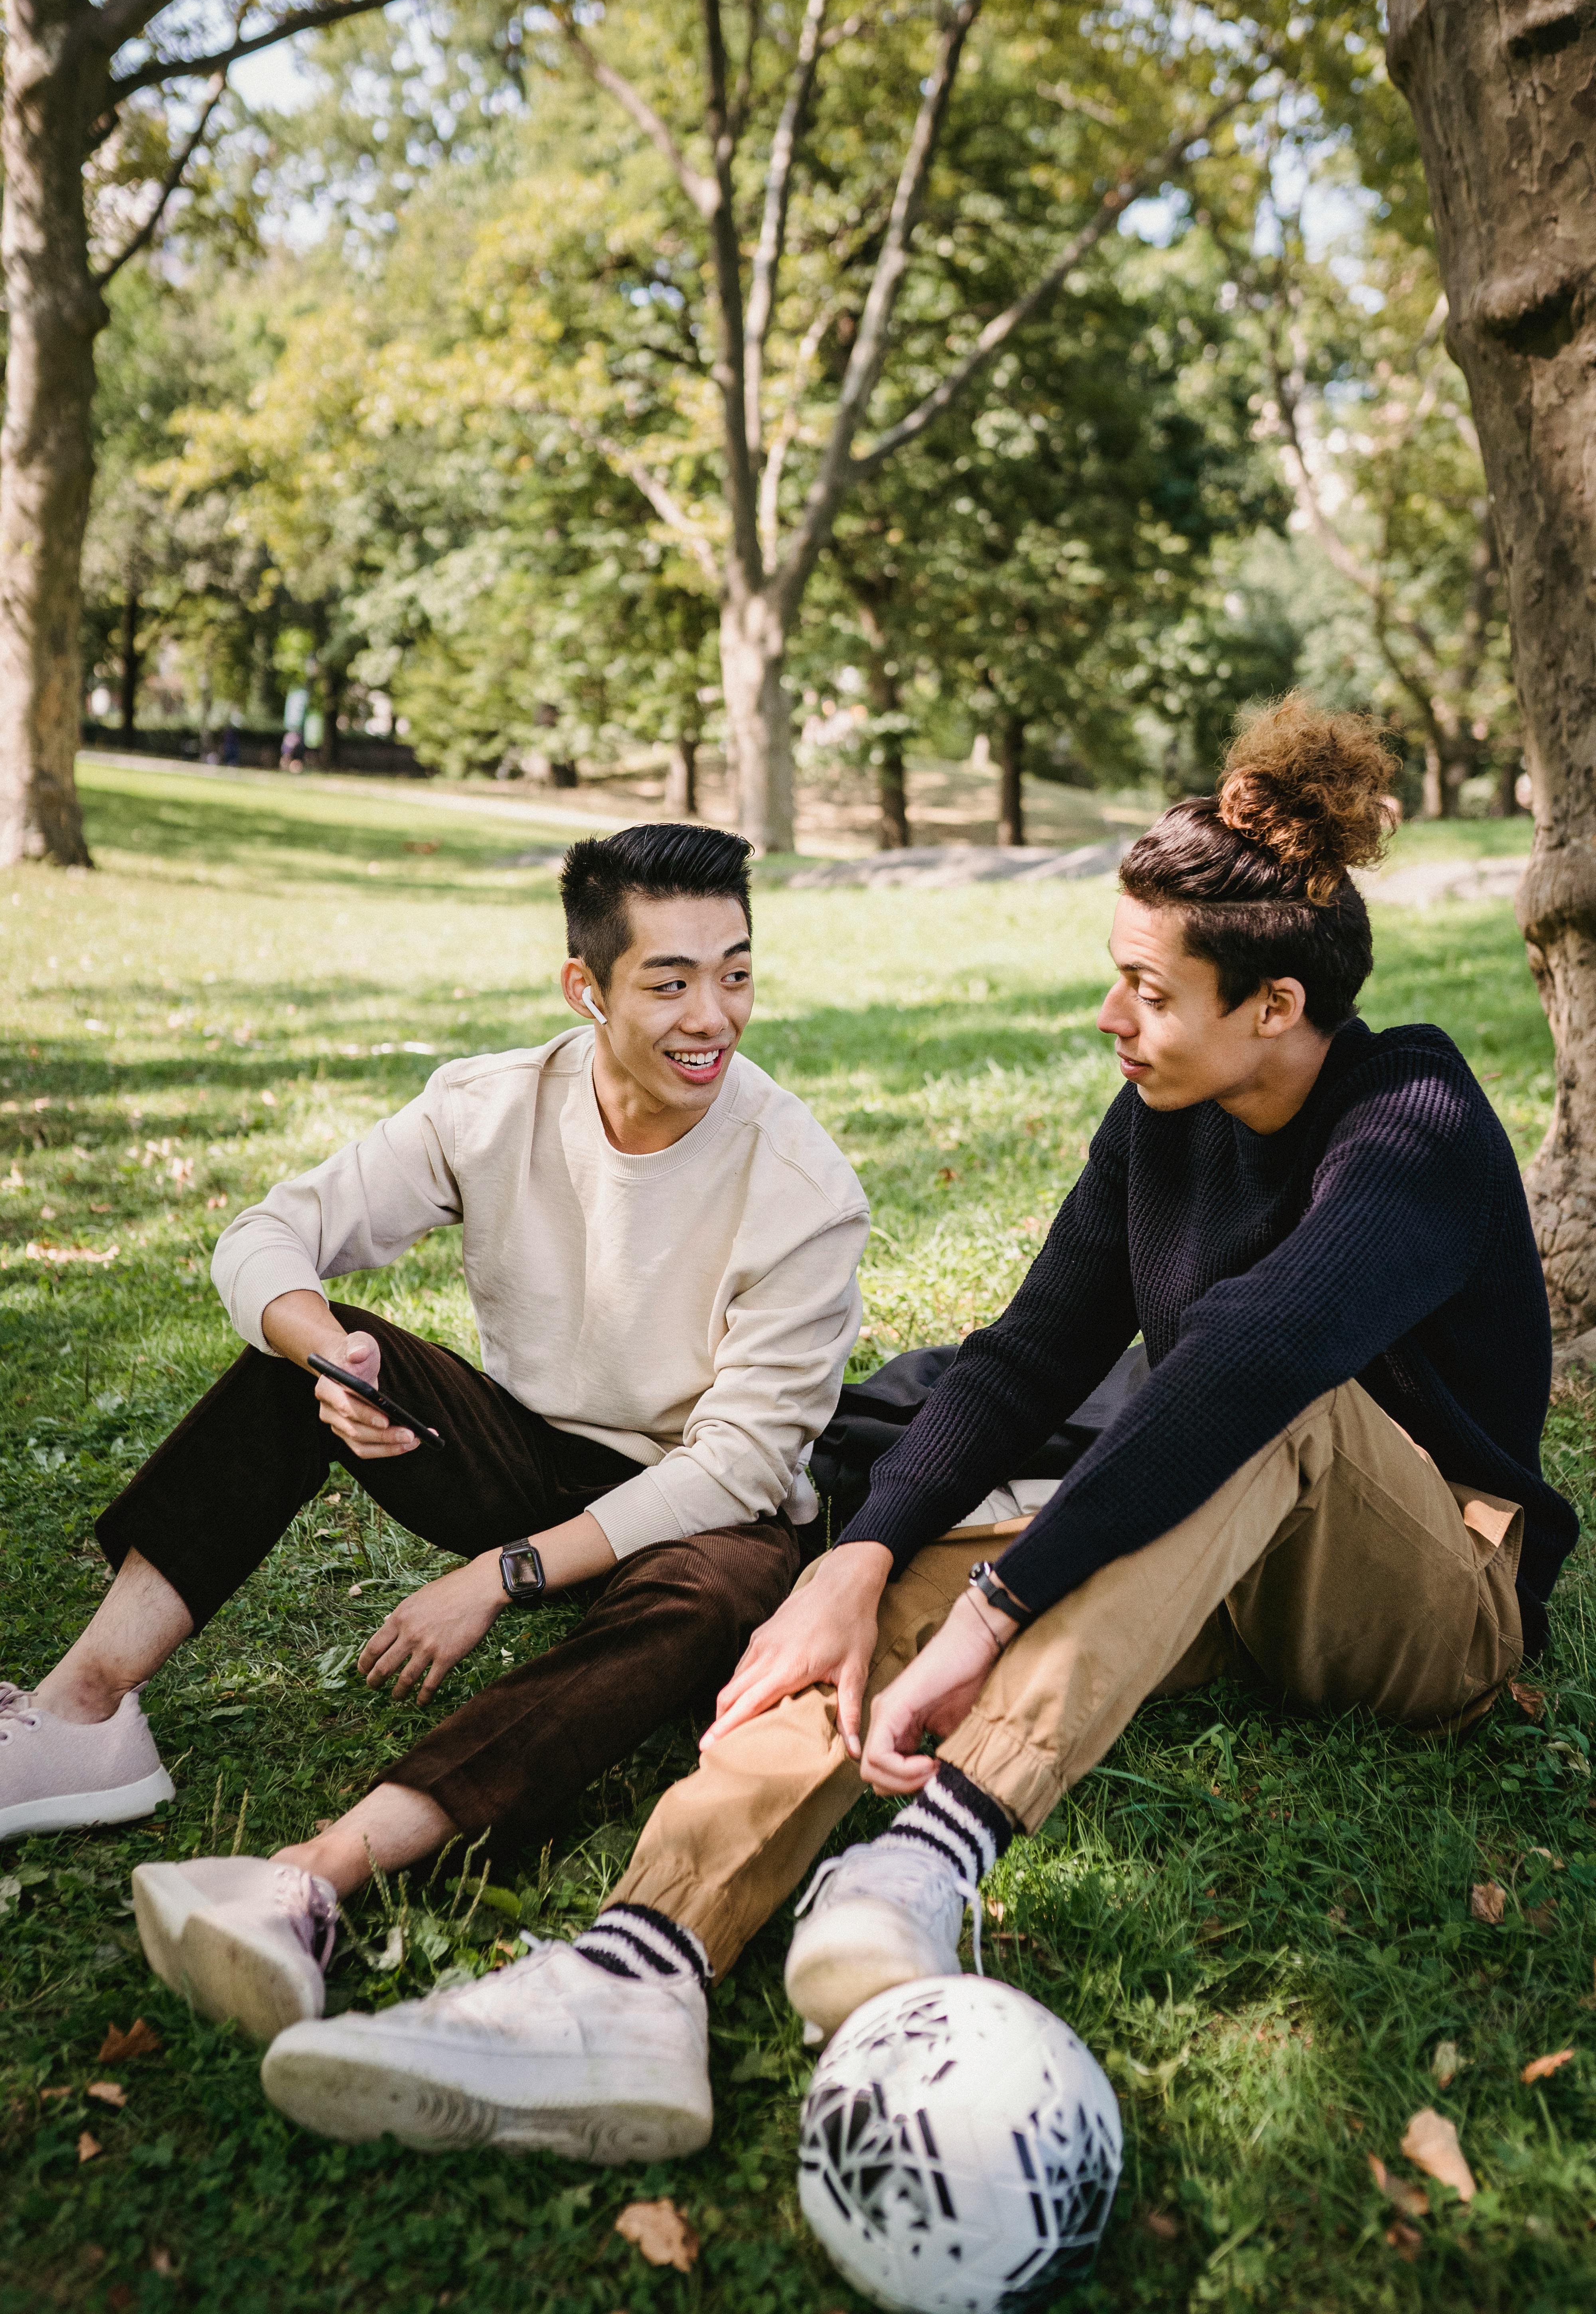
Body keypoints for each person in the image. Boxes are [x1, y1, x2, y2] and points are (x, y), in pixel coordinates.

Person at [251, 699, 1576, 2165]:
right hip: (1215, 1559)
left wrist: (1001, 1607)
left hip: (1435, 1594)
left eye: (1146, 989)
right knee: (852, 1621)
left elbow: (1253, 1363)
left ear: (1272, 1008)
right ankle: (637, 1968)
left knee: (1260, 1395)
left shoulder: (1419, 1118)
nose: (1109, 1017)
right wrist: (866, 1557)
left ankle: (926, 1863)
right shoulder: (1158, 1119)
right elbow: (1022, 1361)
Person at [0, 824, 869, 2111]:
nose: (714, 1017)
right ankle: (82, 1716)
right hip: (521, 1450)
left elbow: (740, 1466)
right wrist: (331, 1354)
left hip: (693, 1506)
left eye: (736, 973)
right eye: (671, 980)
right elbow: (268, 1234)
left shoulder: (801, 1184)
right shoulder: (491, 1105)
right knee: (295, 1366)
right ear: (587, 988)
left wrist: (498, 1580)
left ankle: (318, 1874)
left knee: (727, 1584)